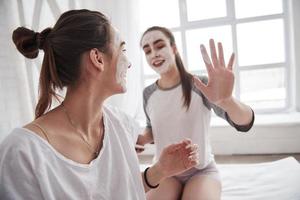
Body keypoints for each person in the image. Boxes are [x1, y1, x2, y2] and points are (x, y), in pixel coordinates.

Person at [0, 10, 200, 200]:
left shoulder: (122, 125)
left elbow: (119, 190)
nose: (129, 63)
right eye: (122, 49)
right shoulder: (22, 152)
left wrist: (160, 170)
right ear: (97, 59)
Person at [137, 26, 255, 200]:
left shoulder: (200, 85)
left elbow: (245, 122)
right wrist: (141, 138)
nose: (153, 53)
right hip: (165, 170)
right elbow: (153, 127)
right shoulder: (148, 93)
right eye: (147, 51)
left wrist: (227, 101)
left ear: (174, 48)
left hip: (201, 171)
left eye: (159, 45)